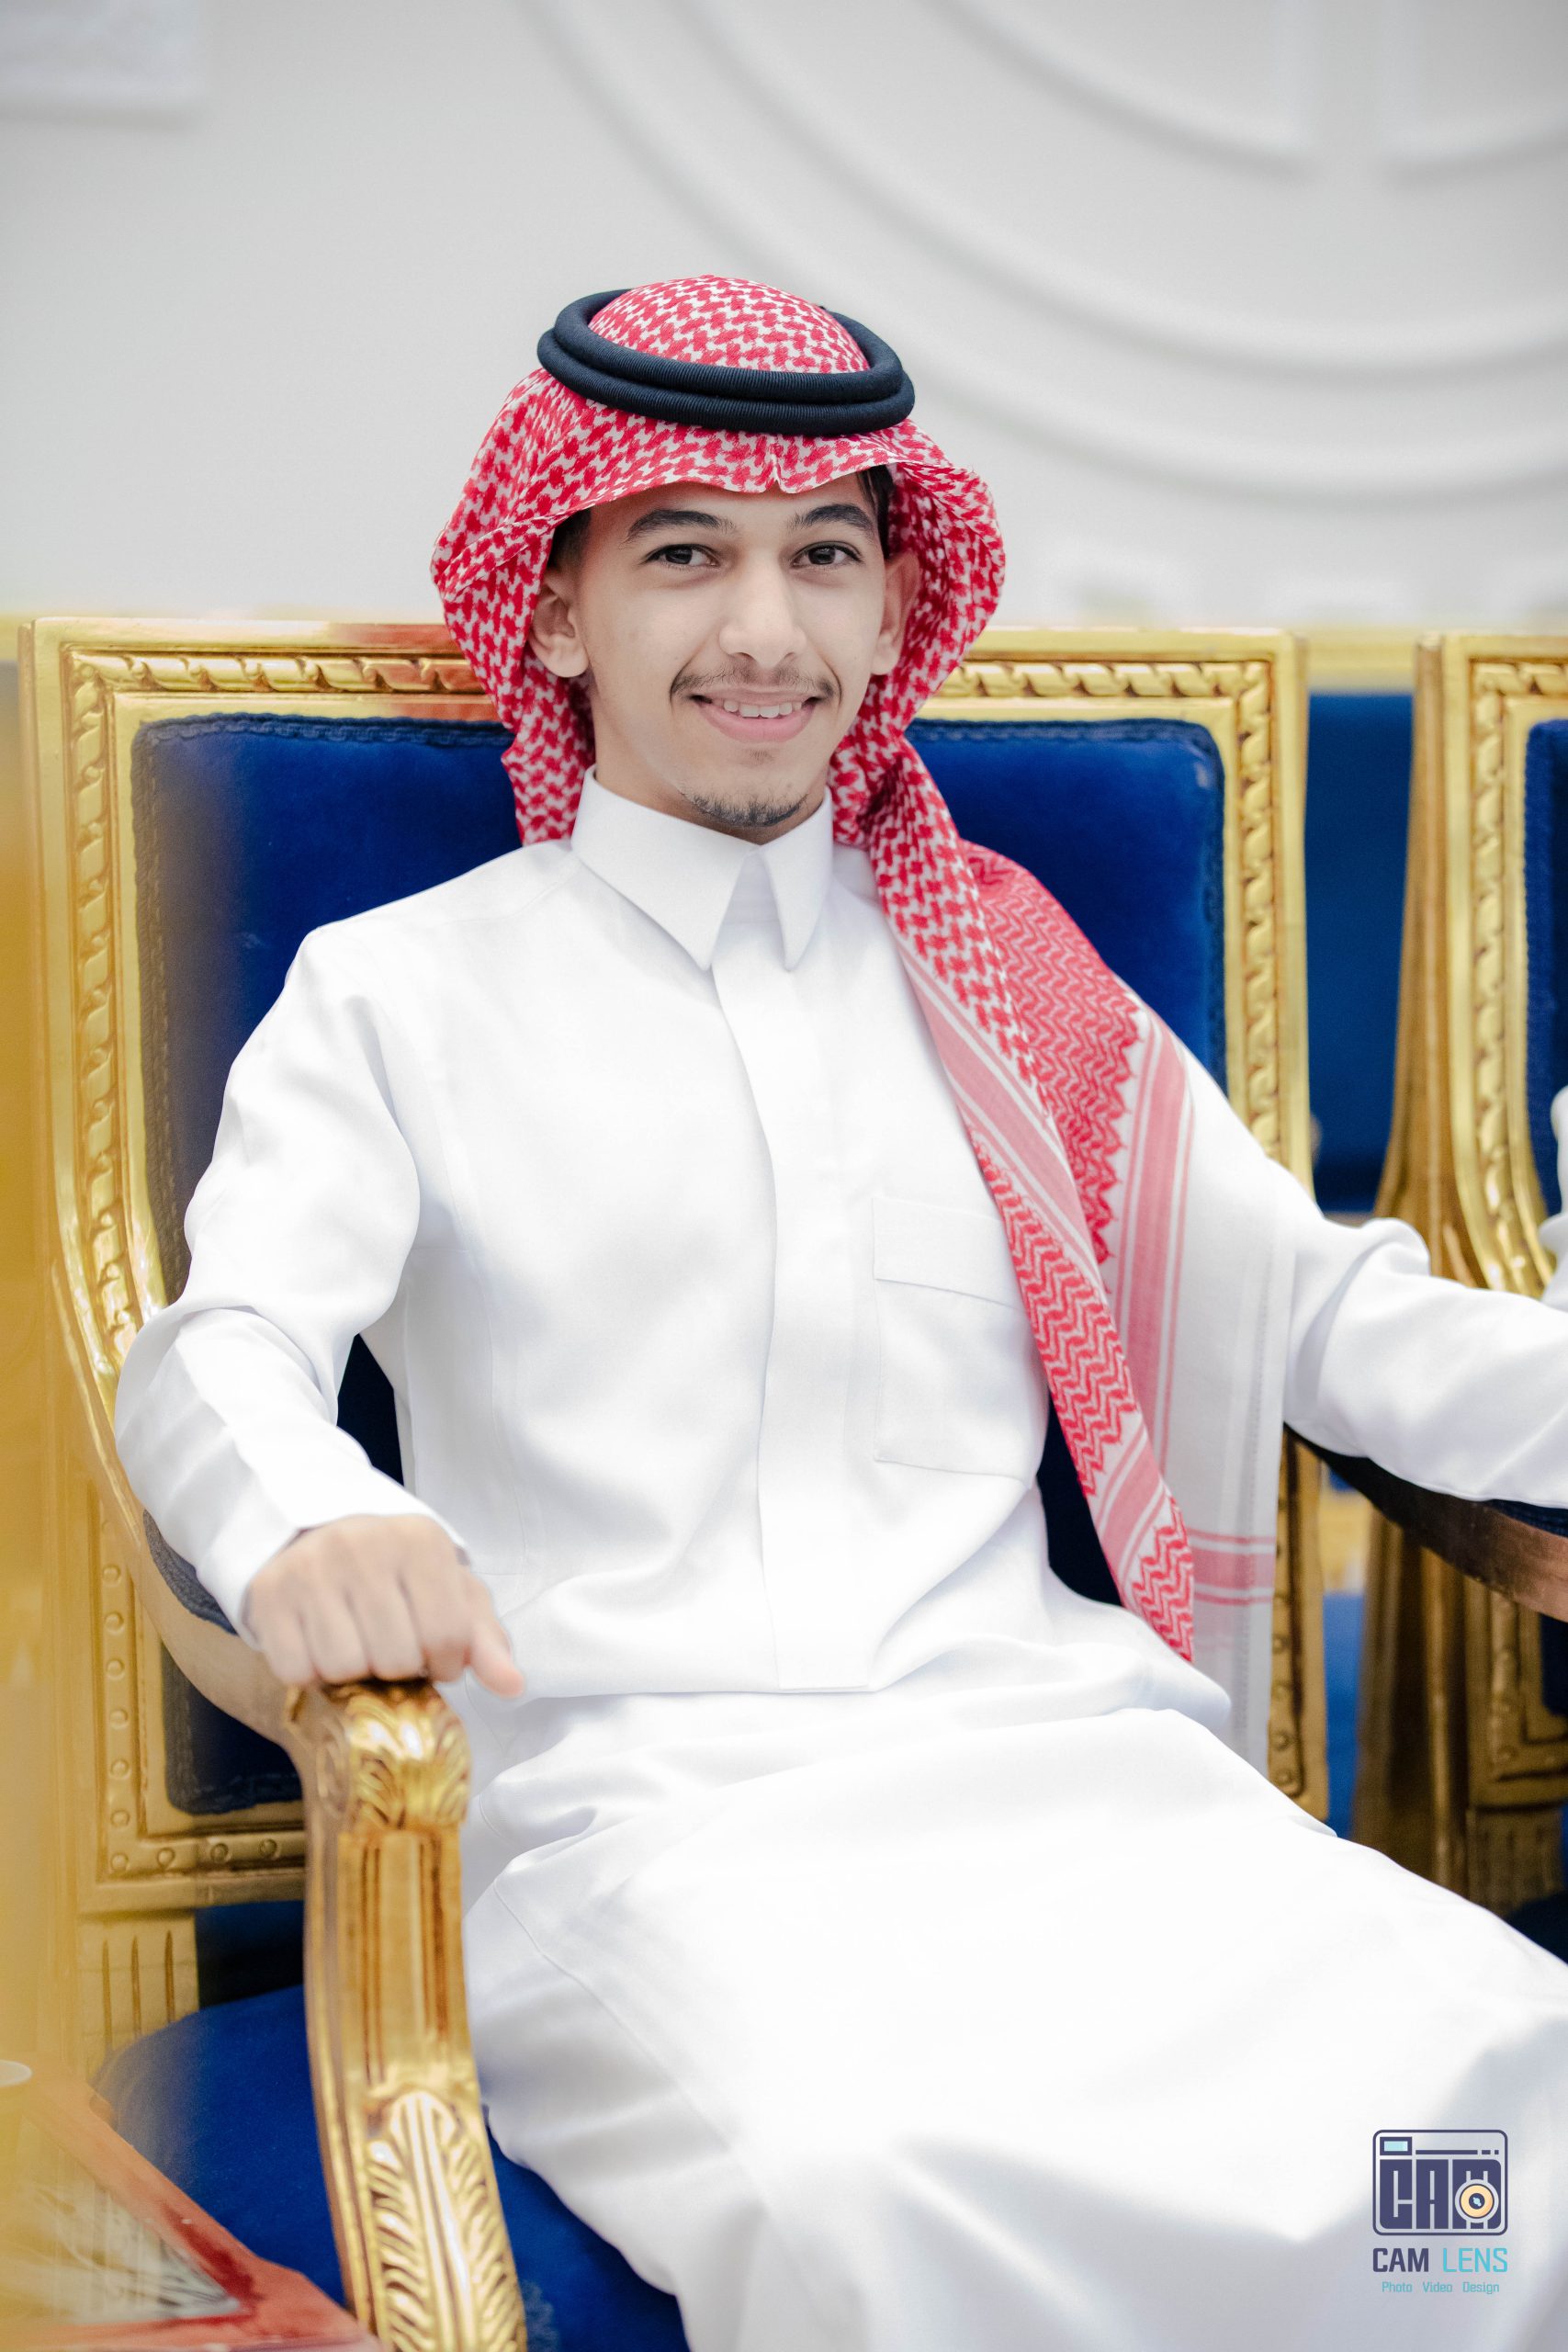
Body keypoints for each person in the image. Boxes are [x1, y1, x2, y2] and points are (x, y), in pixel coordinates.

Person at [116, 277, 1568, 2352]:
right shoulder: (401, 993)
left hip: (1080, 1788)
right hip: (644, 1838)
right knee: (876, 2191)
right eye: (682, 555)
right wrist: (307, 1513)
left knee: (1502, 2107)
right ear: (555, 608)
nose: (764, 631)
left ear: (896, 612)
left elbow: (1336, 1318)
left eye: (823, 557)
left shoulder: (1000, 975)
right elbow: (224, 1342)